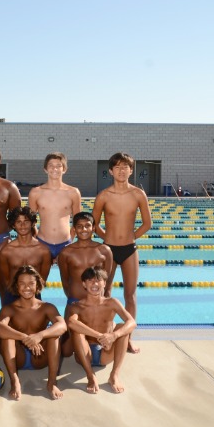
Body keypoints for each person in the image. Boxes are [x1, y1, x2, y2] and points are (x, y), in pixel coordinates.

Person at [92, 152, 152, 353]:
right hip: (108, 250)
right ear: (110, 171)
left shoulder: (137, 194)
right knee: (105, 293)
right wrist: (106, 237)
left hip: (129, 249)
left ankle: (127, 339)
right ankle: (105, 333)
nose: (121, 170)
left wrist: (132, 237)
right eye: (117, 167)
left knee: (130, 295)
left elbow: (147, 223)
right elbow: (93, 224)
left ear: (131, 170)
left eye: (125, 167)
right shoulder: (104, 195)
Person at [0, 265, 66, 400]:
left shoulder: (46, 307)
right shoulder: (10, 309)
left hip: (39, 356)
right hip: (17, 357)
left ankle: (51, 383)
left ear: (38, 285)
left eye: (31, 283)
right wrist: (25, 337)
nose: (27, 287)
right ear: (16, 286)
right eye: (22, 283)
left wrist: (40, 335)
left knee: (54, 335)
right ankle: (15, 381)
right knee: (7, 336)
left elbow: (62, 325)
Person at [66, 267, 136, 394]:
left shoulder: (112, 302)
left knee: (122, 328)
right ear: (84, 284)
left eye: (98, 280)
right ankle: (90, 375)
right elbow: (71, 322)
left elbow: (131, 322)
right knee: (77, 331)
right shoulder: (77, 306)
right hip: (85, 353)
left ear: (104, 283)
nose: (95, 284)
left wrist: (114, 335)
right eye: (90, 281)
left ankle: (114, 375)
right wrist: (100, 336)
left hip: (106, 352)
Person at [0, 207, 52, 306]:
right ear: (13, 225)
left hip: (34, 295)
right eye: (18, 222)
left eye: (26, 221)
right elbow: (6, 280)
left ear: (33, 223)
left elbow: (42, 279)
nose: (22, 225)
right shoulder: (6, 251)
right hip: (12, 296)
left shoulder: (43, 251)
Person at [28, 152, 82, 261]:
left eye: (58, 166)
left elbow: (78, 221)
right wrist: (37, 242)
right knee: (39, 278)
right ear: (45, 169)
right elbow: (31, 222)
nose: (55, 169)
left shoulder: (73, 192)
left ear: (64, 169)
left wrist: (70, 242)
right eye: (51, 165)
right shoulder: (35, 192)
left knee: (68, 278)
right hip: (42, 243)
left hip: (65, 244)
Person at [58, 212, 113, 306]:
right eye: (79, 226)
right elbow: (65, 281)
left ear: (93, 228)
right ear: (74, 229)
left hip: (98, 302)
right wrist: (71, 298)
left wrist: (105, 300)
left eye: (87, 226)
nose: (84, 229)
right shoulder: (66, 252)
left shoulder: (104, 250)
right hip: (74, 301)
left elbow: (108, 279)